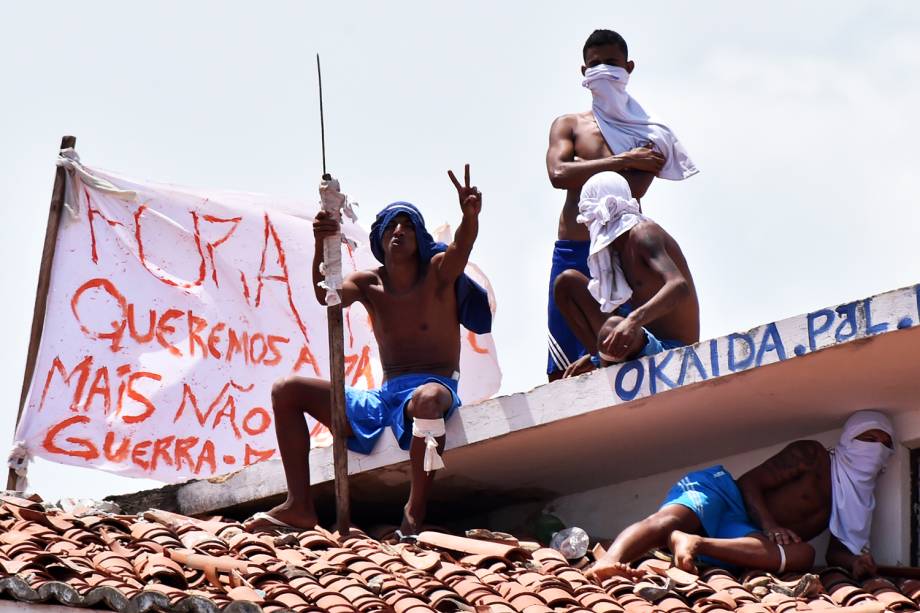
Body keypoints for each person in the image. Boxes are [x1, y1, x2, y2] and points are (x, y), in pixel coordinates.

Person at [245, 165, 486, 536]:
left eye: (407, 225)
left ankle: (413, 512)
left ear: (421, 238)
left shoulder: (438, 271)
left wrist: (469, 217)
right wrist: (320, 245)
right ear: (379, 238)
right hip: (384, 397)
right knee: (286, 390)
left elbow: (461, 246)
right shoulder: (369, 282)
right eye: (391, 225)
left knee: (427, 400)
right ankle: (300, 506)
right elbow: (328, 297)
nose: (399, 231)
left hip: (432, 388)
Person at [545, 28, 698, 380]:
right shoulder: (569, 124)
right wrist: (622, 160)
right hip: (574, 246)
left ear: (628, 67)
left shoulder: (650, 132)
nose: (602, 70)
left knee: (621, 336)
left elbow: (629, 192)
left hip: (619, 246)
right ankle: (596, 366)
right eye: (594, 64)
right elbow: (558, 173)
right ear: (583, 72)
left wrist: (593, 168)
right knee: (561, 367)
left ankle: (606, 365)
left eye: (611, 63)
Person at [588, 410, 896, 580]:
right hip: (724, 493)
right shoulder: (812, 456)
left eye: (885, 444)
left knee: (805, 556)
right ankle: (609, 562)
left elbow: (835, 553)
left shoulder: (860, 501)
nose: (875, 449)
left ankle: (693, 542)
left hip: (744, 535)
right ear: (847, 440)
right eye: (867, 438)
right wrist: (771, 525)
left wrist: (855, 563)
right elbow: (750, 482)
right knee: (667, 521)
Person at [553, 172, 698, 376]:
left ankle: (606, 363)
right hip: (638, 339)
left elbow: (678, 286)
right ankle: (602, 359)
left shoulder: (643, 233)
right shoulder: (611, 252)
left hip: (673, 350)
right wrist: (603, 347)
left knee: (613, 325)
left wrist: (632, 321)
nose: (584, 222)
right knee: (567, 283)